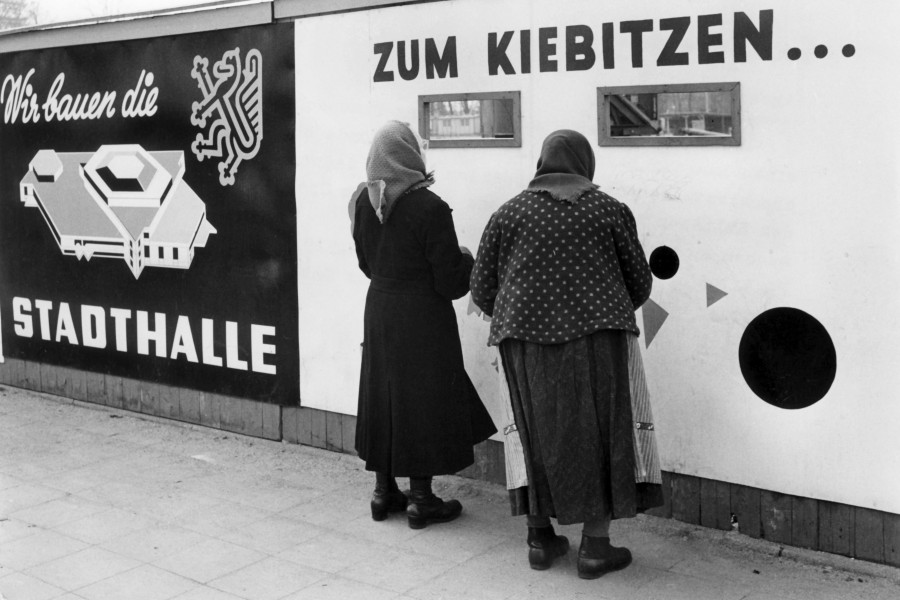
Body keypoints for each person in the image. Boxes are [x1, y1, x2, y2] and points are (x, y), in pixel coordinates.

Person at [470, 129, 663, 578]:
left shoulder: (508, 213)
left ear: (542, 163)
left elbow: (482, 289)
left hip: (522, 341)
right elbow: (640, 282)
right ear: (584, 164)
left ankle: (540, 540)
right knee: (603, 433)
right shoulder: (608, 209)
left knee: (532, 431)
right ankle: (595, 548)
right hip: (598, 338)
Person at [352, 120, 497, 529]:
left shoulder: (365, 201)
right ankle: (420, 498)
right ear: (408, 154)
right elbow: (451, 281)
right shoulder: (429, 207)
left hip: (380, 308)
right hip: (422, 316)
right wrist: (467, 257)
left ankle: (384, 493)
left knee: (383, 391)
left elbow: (365, 262)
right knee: (422, 395)